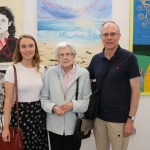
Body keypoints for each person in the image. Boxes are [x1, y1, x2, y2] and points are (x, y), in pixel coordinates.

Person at [88, 21, 140, 150]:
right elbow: (84, 80)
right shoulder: (96, 59)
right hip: (98, 119)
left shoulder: (129, 58)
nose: (109, 38)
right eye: (105, 34)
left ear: (119, 36)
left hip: (120, 120)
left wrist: (130, 120)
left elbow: (136, 92)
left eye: (113, 34)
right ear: (101, 37)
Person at [40, 41, 91, 150]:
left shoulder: (83, 74)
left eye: (68, 54)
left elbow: (86, 101)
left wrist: (73, 105)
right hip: (54, 126)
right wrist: (53, 108)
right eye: (61, 55)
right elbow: (43, 98)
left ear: (73, 55)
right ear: (57, 57)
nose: (65, 57)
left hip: (74, 126)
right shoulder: (50, 72)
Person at [2, 34, 48, 150]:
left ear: (35, 48)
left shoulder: (41, 69)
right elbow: (8, 100)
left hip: (39, 115)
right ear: (19, 49)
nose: (28, 49)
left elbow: (45, 95)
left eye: (31, 46)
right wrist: (5, 127)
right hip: (21, 115)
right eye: (24, 46)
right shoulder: (12, 70)